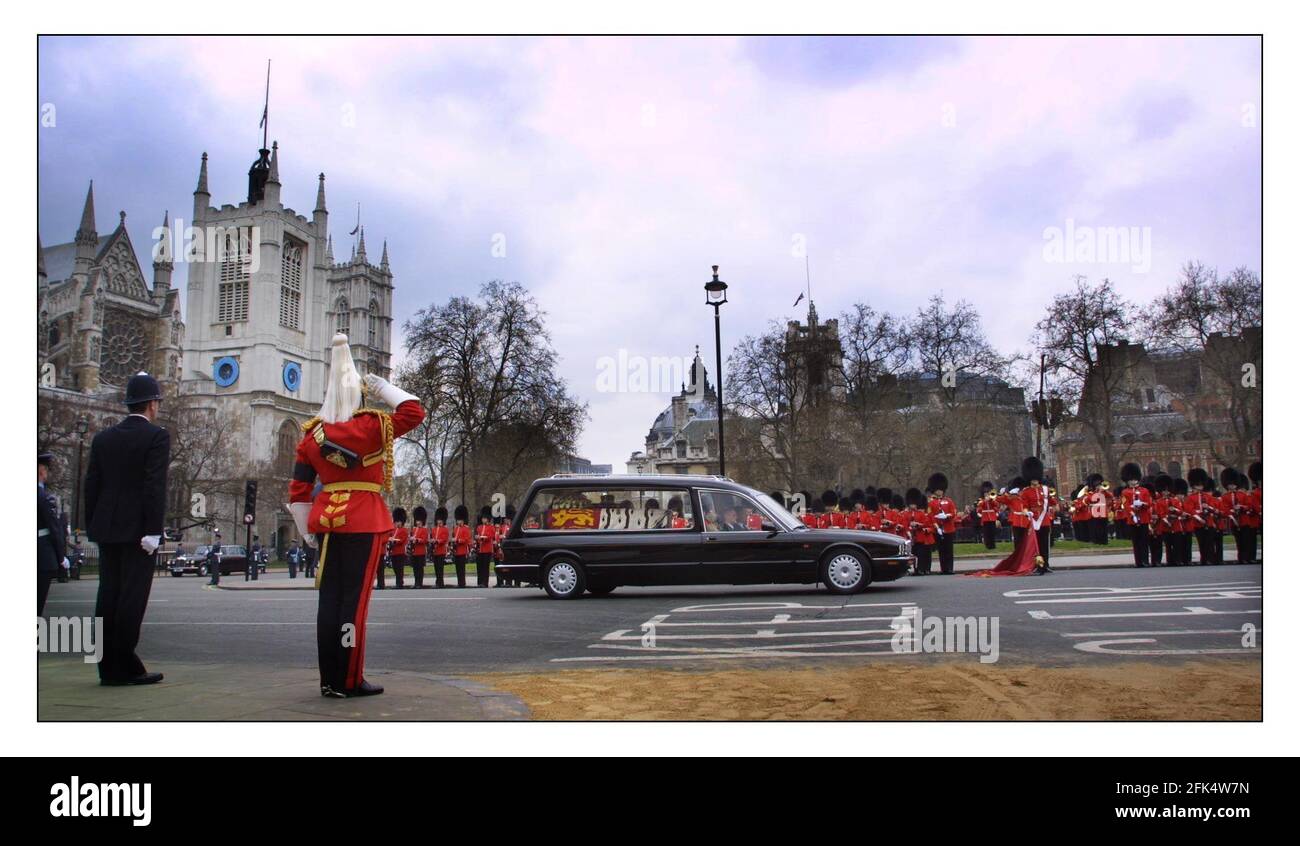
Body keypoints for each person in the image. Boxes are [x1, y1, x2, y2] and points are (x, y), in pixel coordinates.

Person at [287, 334, 425, 698]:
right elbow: (414, 411)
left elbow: (299, 491)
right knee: (354, 605)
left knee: (328, 601)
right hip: (364, 521)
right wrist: (385, 388)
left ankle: (328, 678)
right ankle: (349, 678)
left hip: (327, 525)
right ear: (359, 395)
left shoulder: (311, 435)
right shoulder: (371, 426)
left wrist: (307, 532)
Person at [84, 371, 170, 686]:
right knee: (132, 599)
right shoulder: (157, 436)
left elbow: (91, 485)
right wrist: (152, 530)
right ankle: (122, 665)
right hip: (137, 531)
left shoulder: (102, 438)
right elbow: (153, 486)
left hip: (107, 528)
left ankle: (111, 665)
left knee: (107, 595)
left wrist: (93, 524)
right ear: (151, 404)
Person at [37, 451, 67, 615]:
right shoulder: (44, 497)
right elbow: (54, 529)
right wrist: (61, 556)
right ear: (41, 472)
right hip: (42, 555)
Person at [1221, 468, 1257, 565]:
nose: (1232, 486)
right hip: (1234, 521)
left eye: (1233, 484)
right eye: (1230, 484)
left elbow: (1249, 506)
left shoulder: (1242, 495)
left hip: (1244, 520)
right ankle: (1241, 558)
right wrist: (1232, 510)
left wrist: (1241, 507)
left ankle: (1246, 558)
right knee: (1239, 541)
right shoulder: (1225, 496)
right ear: (1227, 485)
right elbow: (1224, 508)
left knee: (1246, 540)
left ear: (1236, 484)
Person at [1118, 463, 1150, 567]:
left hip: (1143, 519)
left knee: (1144, 541)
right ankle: (1138, 561)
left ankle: (1145, 561)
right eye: (1131, 480)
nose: (1133, 481)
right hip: (1132, 519)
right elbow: (1125, 504)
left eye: (1134, 479)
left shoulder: (1144, 491)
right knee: (1136, 542)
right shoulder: (1124, 492)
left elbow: (1148, 503)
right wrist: (1132, 513)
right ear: (1127, 480)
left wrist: (1142, 504)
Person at [1186, 468, 1219, 565]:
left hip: (1208, 521)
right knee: (1202, 542)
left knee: (1209, 542)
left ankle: (1210, 559)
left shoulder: (1208, 497)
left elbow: (1214, 508)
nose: (1199, 487)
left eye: (1200, 485)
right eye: (1197, 485)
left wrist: (1208, 507)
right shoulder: (1191, 497)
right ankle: (1204, 559)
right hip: (1198, 523)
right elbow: (1190, 510)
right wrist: (1199, 516)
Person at [926, 473, 957, 575]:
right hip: (938, 529)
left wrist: (947, 516)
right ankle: (944, 568)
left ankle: (950, 568)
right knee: (942, 551)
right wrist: (936, 526)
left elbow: (954, 512)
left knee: (949, 550)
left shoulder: (949, 501)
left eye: (941, 489)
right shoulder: (931, 503)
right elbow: (930, 515)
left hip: (948, 528)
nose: (939, 491)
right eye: (938, 490)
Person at [905, 488, 937, 575]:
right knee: (913, 555)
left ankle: (920, 569)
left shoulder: (921, 514)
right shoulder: (906, 514)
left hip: (920, 537)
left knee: (921, 555)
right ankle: (915, 569)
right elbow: (905, 524)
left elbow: (925, 524)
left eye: (914, 504)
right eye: (911, 504)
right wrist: (909, 529)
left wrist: (918, 525)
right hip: (911, 537)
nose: (913, 506)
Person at [388, 507, 409, 589]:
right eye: (397, 521)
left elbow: (401, 540)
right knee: (395, 567)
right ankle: (398, 582)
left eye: (399, 521)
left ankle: (399, 583)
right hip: (394, 552)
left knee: (399, 569)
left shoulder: (404, 530)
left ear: (402, 521)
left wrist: (393, 540)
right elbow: (390, 537)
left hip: (400, 552)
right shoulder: (393, 530)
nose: (398, 523)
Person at [475, 507, 496, 587]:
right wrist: (477, 538)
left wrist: (482, 537)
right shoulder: (479, 527)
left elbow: (491, 536)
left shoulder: (491, 527)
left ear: (488, 519)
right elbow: (477, 536)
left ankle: (485, 582)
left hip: (487, 549)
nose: (483, 520)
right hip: (480, 549)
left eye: (484, 518)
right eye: (482, 518)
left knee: (485, 567)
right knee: (480, 567)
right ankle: (480, 582)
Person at [452, 505, 472, 587]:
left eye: (459, 520)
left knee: (461, 568)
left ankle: (462, 583)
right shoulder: (456, 528)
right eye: (457, 520)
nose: (458, 521)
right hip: (456, 551)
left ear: (463, 520)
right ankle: (459, 582)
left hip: (462, 551)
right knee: (457, 568)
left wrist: (457, 540)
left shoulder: (466, 528)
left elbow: (466, 540)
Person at [409, 506, 429, 588]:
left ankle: (419, 583)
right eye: (417, 521)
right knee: (415, 568)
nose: (418, 522)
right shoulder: (414, 530)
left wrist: (416, 540)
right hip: (414, 551)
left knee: (420, 569)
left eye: (419, 521)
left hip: (421, 551)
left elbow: (424, 540)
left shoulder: (424, 530)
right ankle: (416, 582)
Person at [431, 506, 450, 588]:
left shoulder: (445, 529)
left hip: (441, 550)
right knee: (436, 567)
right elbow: (433, 537)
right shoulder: (434, 529)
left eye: (440, 520)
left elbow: (444, 539)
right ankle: (437, 582)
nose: (439, 521)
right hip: (435, 550)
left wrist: (437, 541)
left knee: (440, 567)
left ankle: (440, 582)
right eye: (438, 520)